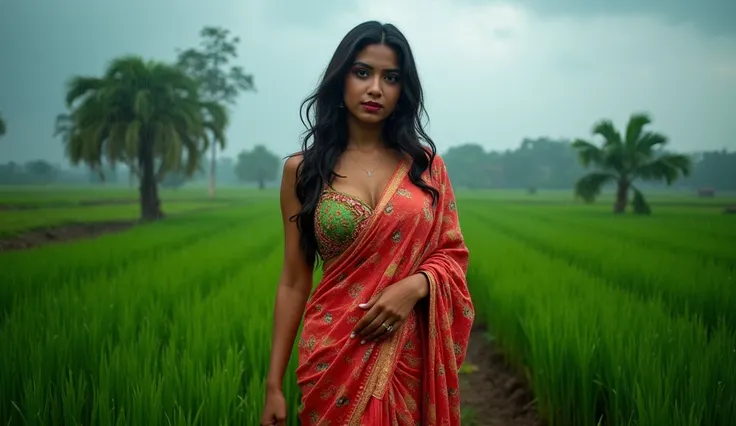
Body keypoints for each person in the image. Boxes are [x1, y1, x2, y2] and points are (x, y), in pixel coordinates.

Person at [260, 20, 474, 425]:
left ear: (402, 90)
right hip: (333, 353)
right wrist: (273, 384)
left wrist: (415, 285)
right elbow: (293, 279)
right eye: (363, 73)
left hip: (406, 355)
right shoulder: (302, 172)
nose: (375, 88)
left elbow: (453, 256)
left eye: (390, 78)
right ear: (341, 80)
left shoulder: (426, 169)